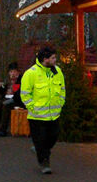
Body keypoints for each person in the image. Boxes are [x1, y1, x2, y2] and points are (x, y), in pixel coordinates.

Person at [20, 46, 66, 174]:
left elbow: (62, 89)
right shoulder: (31, 73)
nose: (55, 60)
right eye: (53, 58)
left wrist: (61, 102)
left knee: (53, 136)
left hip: (54, 115)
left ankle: (41, 149)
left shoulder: (58, 71)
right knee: (40, 140)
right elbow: (25, 94)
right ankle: (44, 162)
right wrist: (32, 107)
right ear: (45, 59)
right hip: (37, 116)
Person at [0, 62, 24, 137]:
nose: (12, 73)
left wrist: (15, 82)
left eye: (14, 71)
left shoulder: (21, 81)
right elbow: (0, 91)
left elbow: (17, 95)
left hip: (16, 101)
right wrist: (4, 85)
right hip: (6, 99)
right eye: (11, 72)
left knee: (6, 106)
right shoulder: (7, 81)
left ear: (18, 72)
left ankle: (2, 130)